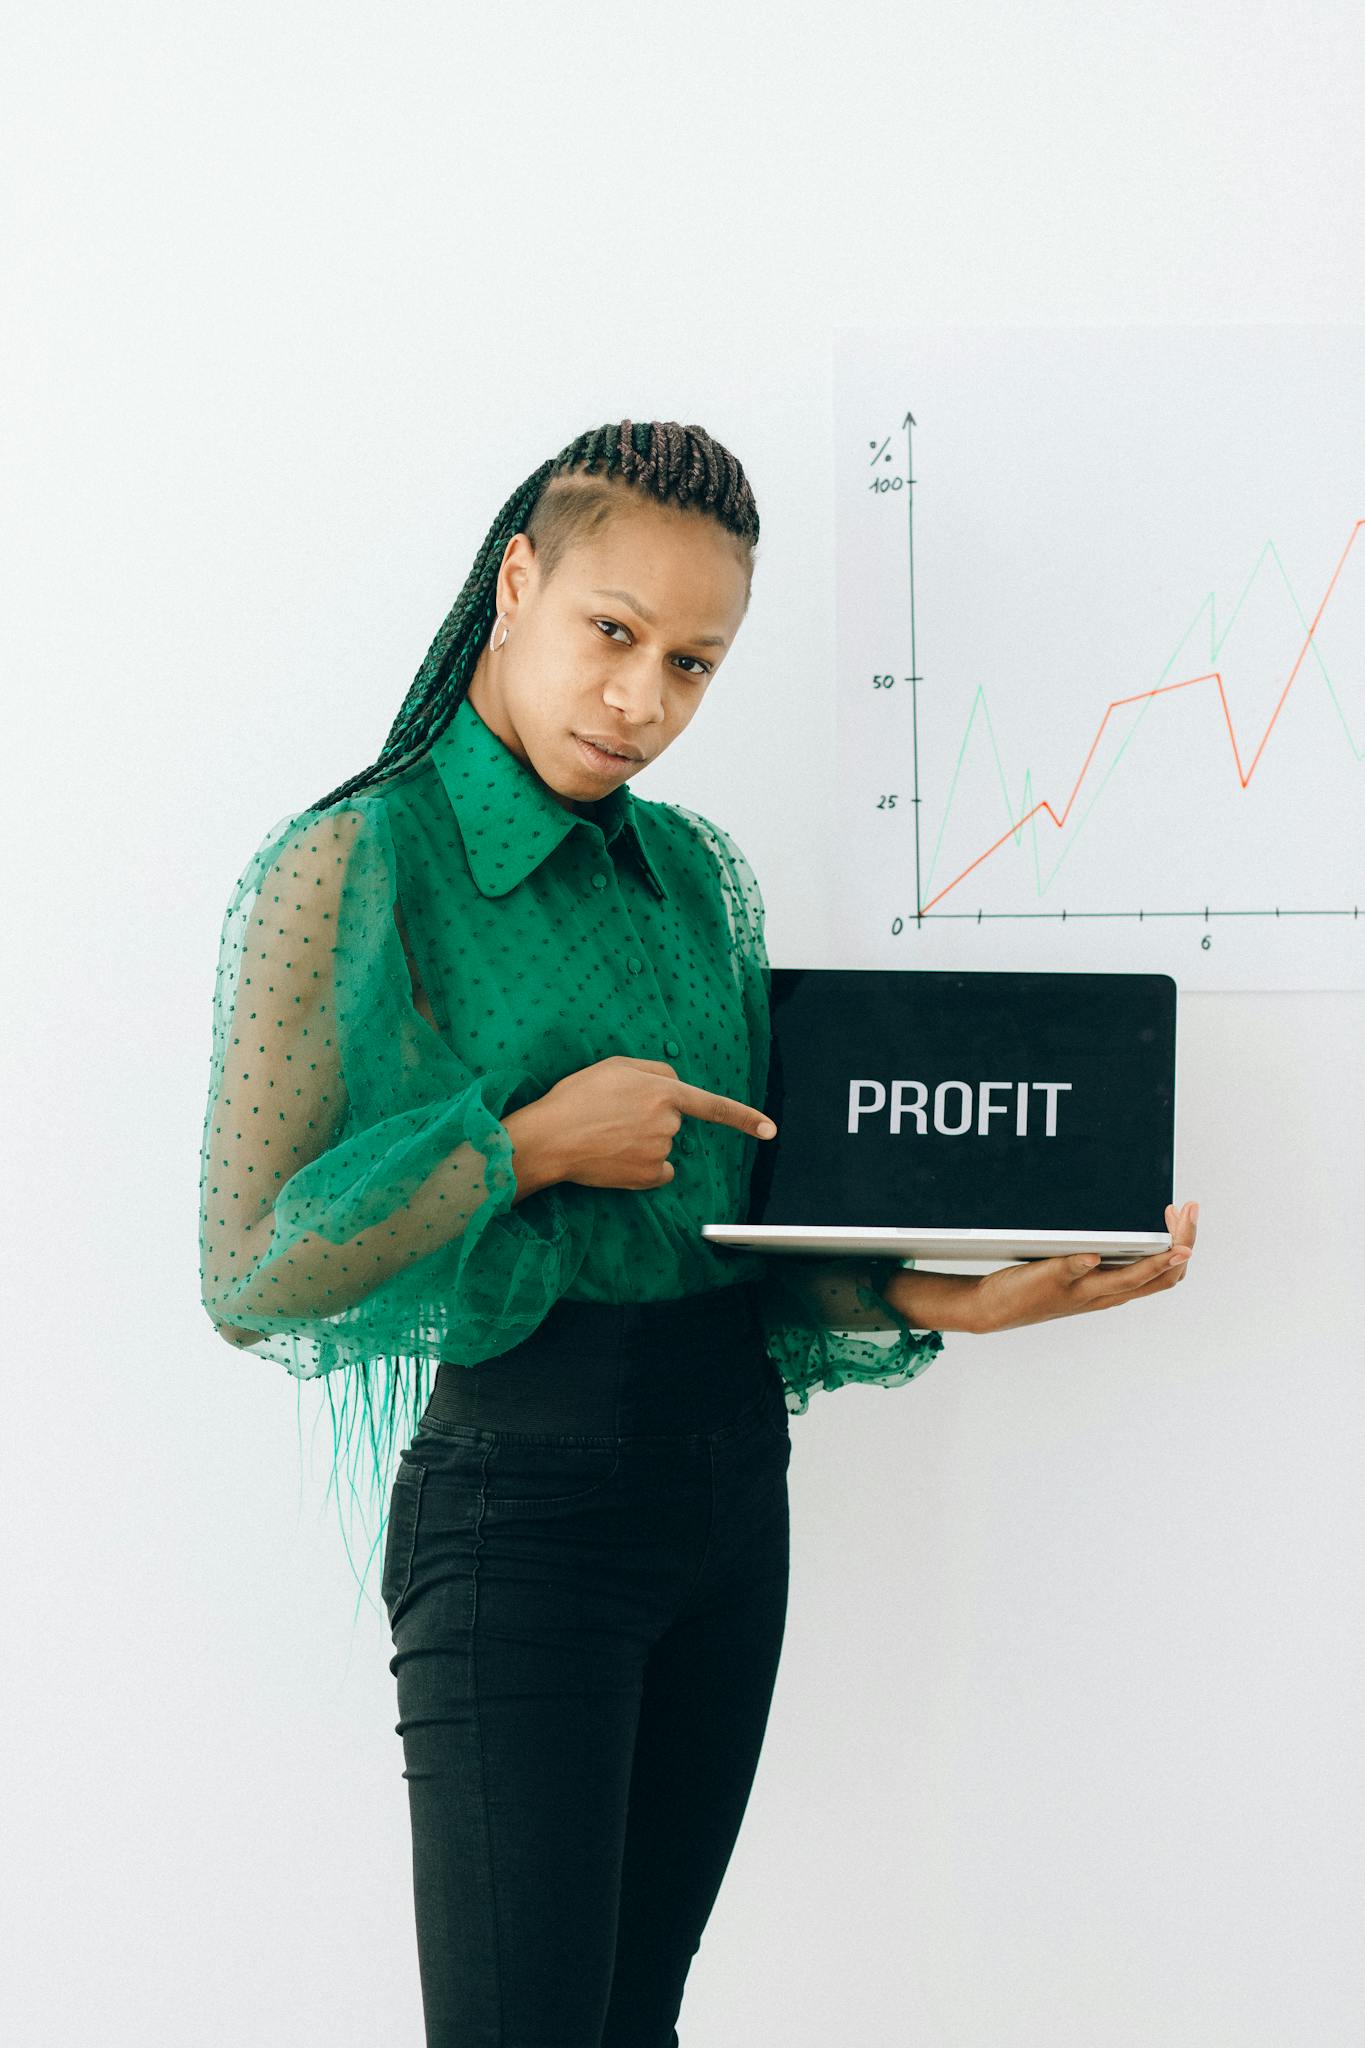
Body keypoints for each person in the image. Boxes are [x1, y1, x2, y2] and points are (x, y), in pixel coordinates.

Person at [198, 418, 1199, 2046]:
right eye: (613, 634)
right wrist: (522, 1146)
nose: (642, 702)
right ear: (517, 584)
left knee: (637, 2021)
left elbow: (750, 1231)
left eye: (693, 664)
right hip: (521, 1520)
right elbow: (248, 1271)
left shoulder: (696, 876)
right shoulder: (351, 864)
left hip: (730, 1498)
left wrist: (958, 1299)